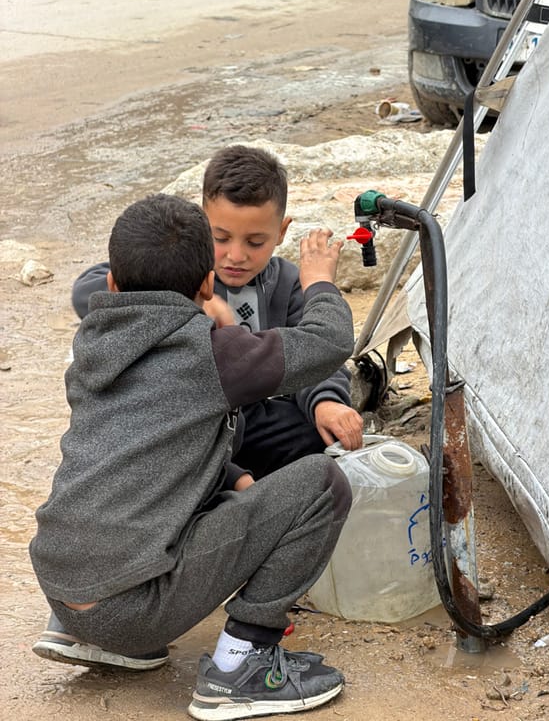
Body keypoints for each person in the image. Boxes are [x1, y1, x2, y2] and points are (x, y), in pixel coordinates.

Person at [30, 193, 355, 720]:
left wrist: (238, 481)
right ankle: (240, 667)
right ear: (207, 285)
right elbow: (329, 340)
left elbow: (159, 448)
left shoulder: (92, 343)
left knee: (163, 475)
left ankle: (83, 633)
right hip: (130, 610)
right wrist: (318, 278)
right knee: (322, 481)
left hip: (62, 590)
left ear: (112, 284)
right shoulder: (211, 352)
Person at [71, 145, 364, 479]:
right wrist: (182, 303)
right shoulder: (179, 273)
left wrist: (326, 401)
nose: (235, 255)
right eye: (220, 238)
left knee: (315, 432)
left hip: (250, 418)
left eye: (255, 242)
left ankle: (245, 484)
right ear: (199, 224)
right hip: (188, 420)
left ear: (281, 232)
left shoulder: (287, 283)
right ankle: (229, 480)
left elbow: (317, 356)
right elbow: (88, 289)